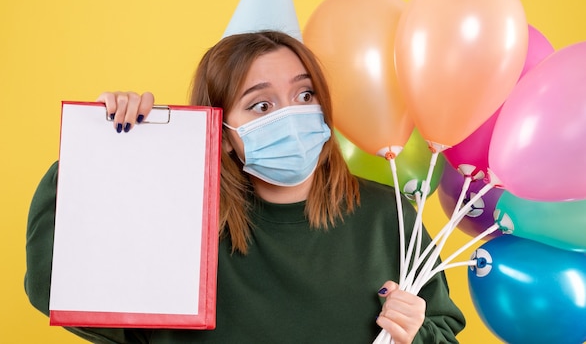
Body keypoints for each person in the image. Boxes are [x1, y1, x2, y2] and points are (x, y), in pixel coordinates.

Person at [25, 30, 465, 344]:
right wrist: (102, 149)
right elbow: (54, 287)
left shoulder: (387, 215)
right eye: (261, 104)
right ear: (222, 132)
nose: (292, 115)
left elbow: (442, 331)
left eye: (306, 95)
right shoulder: (180, 227)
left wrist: (415, 334)